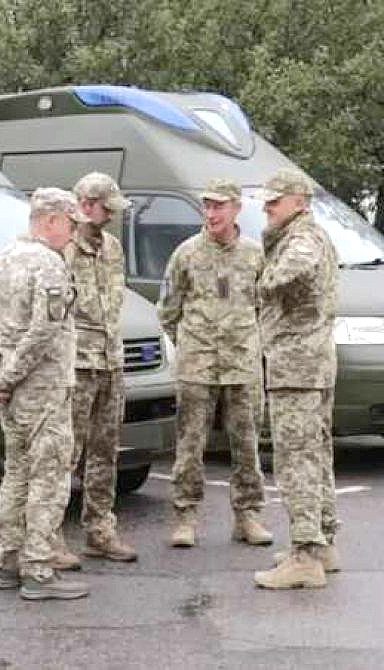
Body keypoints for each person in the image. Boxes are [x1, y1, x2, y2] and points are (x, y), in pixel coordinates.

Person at [0, 187, 89, 600]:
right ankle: (38, 570)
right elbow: (45, 331)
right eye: (71, 223)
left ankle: (6, 563)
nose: (74, 232)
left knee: (16, 475)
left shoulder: (2, 260)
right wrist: (6, 377)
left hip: (13, 393)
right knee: (48, 478)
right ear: (52, 220)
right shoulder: (49, 264)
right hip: (44, 390)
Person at [157, 178, 271, 548]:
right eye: (207, 205)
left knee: (247, 443)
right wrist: (191, 345)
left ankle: (248, 515)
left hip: (242, 364)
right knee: (190, 443)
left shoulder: (255, 255)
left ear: (236, 208)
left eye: (219, 205)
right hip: (197, 365)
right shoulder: (186, 254)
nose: (211, 213)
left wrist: (253, 345)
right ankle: (185, 516)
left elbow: (267, 309)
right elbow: (168, 310)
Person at [252, 169, 340, 589]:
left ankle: (305, 556)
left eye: (276, 200)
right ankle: (322, 544)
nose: (267, 208)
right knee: (316, 454)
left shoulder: (302, 239)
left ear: (300, 202)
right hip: (308, 363)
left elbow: (279, 279)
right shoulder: (306, 235)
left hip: (297, 366)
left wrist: (263, 272)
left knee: (296, 459)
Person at [52, 172, 136, 568]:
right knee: (64, 453)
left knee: (104, 452)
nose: (112, 216)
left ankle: (100, 530)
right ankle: (49, 536)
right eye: (107, 209)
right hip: (77, 365)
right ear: (85, 205)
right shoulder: (63, 248)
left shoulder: (112, 248)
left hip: (110, 361)